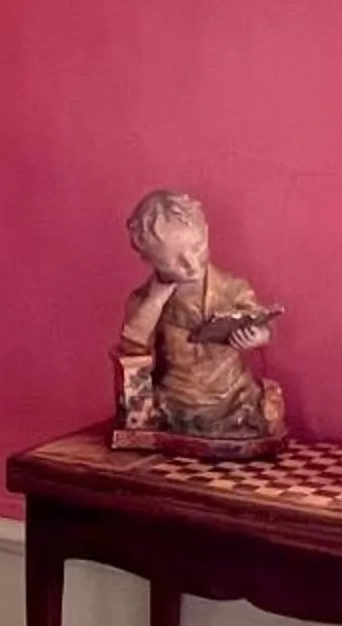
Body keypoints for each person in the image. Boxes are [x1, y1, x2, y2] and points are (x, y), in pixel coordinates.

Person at [114, 190, 284, 448]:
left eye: (197, 248)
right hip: (176, 398)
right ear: (149, 260)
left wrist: (258, 336)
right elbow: (133, 344)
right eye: (175, 260)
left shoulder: (231, 287)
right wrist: (156, 300)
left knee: (262, 410)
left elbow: (263, 321)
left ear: (206, 232)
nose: (192, 263)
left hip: (233, 393)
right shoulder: (145, 300)